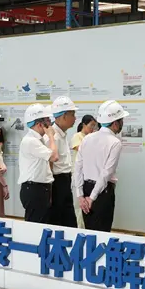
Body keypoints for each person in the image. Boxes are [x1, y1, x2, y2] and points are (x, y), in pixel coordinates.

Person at [74, 100, 128, 232]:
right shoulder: (115, 142)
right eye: (121, 120)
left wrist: (80, 196)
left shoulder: (87, 138)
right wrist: (92, 198)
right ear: (115, 123)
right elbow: (106, 174)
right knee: (102, 233)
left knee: (89, 233)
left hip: (86, 189)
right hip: (102, 193)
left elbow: (78, 168)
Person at [18, 103, 58, 223]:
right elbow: (54, 157)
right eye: (48, 122)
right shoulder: (31, 141)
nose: (50, 125)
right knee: (35, 226)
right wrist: (51, 136)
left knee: (42, 223)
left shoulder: (37, 139)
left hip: (40, 188)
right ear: (40, 124)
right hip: (34, 189)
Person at [49, 96, 79, 228]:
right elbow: (49, 163)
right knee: (58, 221)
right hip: (56, 183)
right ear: (64, 116)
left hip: (65, 181)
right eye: (73, 114)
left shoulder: (62, 134)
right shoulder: (53, 136)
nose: (75, 118)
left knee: (68, 220)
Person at [71, 115, 97, 228]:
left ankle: (86, 228)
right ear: (83, 125)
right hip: (77, 174)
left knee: (87, 204)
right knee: (78, 205)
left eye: (94, 126)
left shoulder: (91, 138)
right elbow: (83, 151)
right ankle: (79, 228)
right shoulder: (77, 136)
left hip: (88, 176)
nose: (93, 129)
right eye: (91, 125)